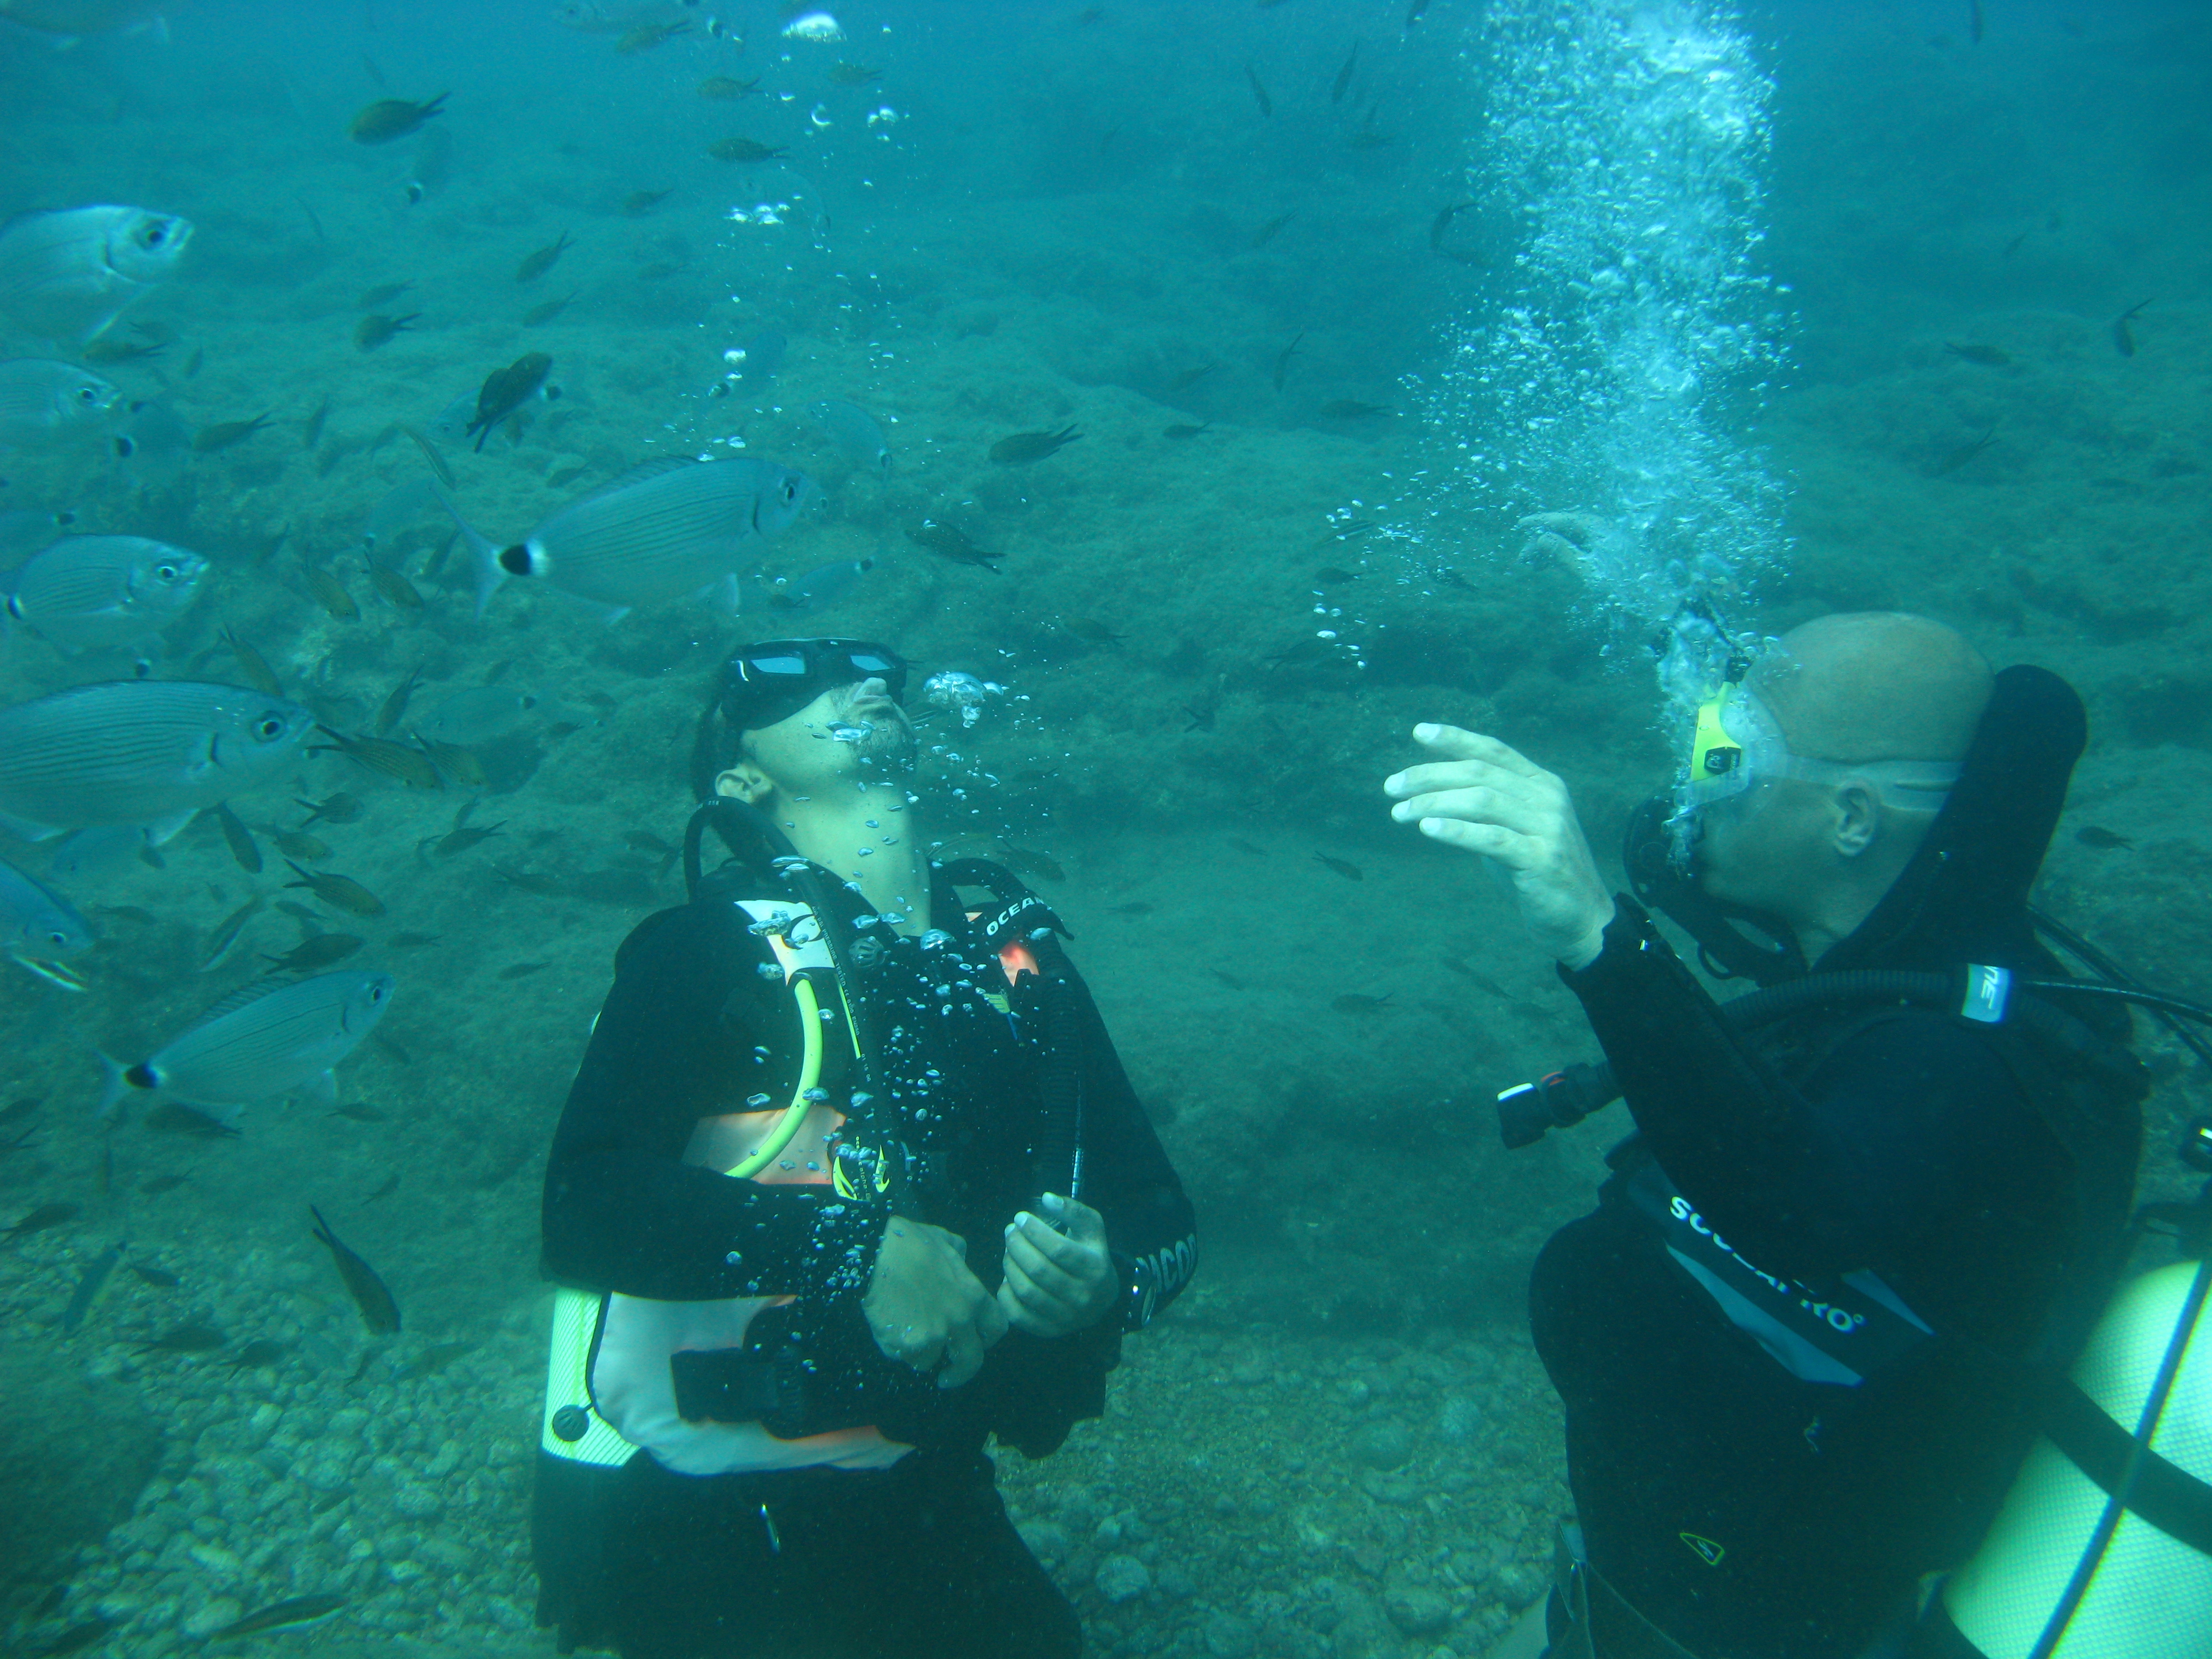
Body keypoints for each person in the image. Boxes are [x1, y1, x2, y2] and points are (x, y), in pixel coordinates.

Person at [1382, 613, 2146, 1659]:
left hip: (1778, 1617)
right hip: (1671, 1563)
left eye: (1728, 758)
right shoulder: (1876, 923)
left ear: (1849, 820)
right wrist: (1662, 612)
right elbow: (1678, 844)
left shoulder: (1965, 1065)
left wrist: (1597, 939)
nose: (1700, 784)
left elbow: (1800, 1203)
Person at [532, 637, 1197, 1659]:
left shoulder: (1021, 969)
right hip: (704, 1514)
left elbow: (1164, 1213)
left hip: (930, 1482)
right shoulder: (703, 951)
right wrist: (859, 1248)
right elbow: (584, 1208)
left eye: (877, 665)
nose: (866, 679)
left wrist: (1103, 1277)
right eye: (792, 681)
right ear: (739, 774)